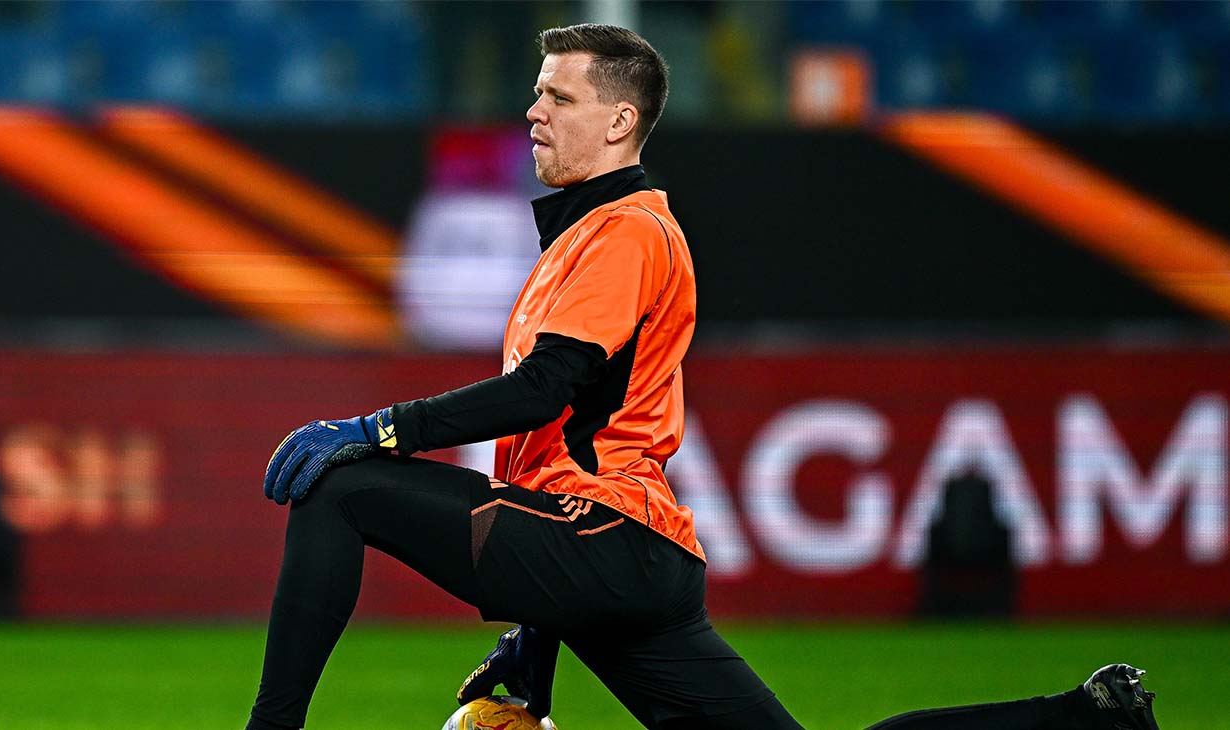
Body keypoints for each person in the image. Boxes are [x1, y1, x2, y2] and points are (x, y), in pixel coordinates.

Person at [246, 24, 1160, 730]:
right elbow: (560, 453)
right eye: (535, 93)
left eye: (557, 96)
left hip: (609, 540)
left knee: (342, 488)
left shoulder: (627, 231)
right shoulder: (591, 236)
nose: (532, 112)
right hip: (628, 553)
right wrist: (536, 637)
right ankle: (1089, 719)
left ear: (619, 121)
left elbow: (542, 394)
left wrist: (377, 429)